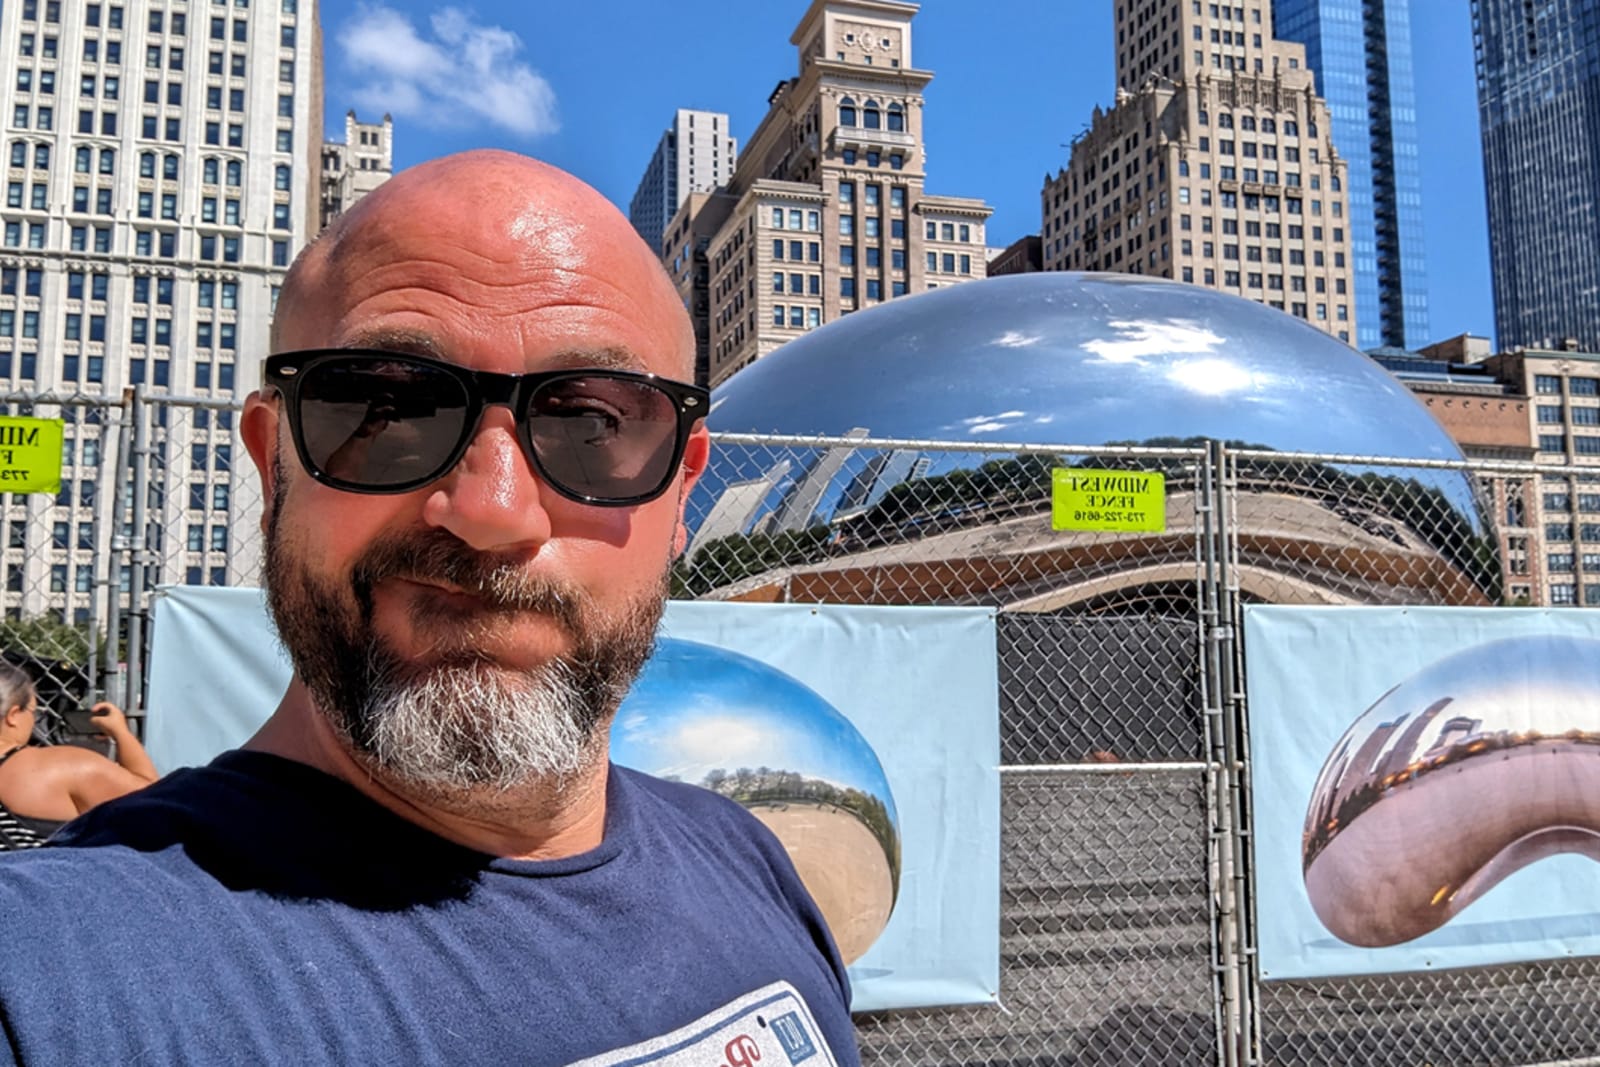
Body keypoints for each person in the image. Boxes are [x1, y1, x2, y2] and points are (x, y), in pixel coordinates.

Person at [0, 151, 858, 1065]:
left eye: (594, 423)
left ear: (682, 495)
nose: (492, 511)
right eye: (384, 406)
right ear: (269, 464)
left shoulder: (751, 860)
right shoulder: (50, 976)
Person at [0, 662, 157, 848]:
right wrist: (122, 733)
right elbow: (154, 802)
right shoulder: (62, 767)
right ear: (13, 715)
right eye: (34, 711)